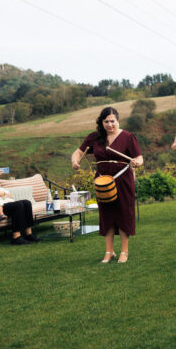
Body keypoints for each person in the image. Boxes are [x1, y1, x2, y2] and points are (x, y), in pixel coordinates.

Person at [71, 107, 143, 263]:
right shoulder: (94, 138)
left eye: (112, 121)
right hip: (102, 181)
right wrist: (75, 161)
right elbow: (77, 152)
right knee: (106, 215)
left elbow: (139, 157)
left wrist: (137, 162)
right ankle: (109, 252)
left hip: (123, 179)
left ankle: (124, 252)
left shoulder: (128, 137)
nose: (110, 125)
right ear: (101, 122)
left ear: (118, 121)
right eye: (106, 121)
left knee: (124, 214)